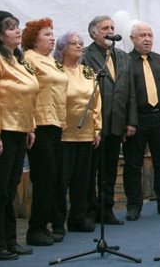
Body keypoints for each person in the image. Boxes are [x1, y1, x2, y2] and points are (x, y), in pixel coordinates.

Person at [0, 9, 39, 260]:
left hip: (18, 130)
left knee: (10, 188)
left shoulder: (16, 59)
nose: (17, 30)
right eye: (11, 27)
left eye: (17, 25)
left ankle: (10, 240)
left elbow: (27, 96)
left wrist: (29, 127)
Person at [123, 21, 160, 221]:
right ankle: (133, 205)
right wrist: (127, 121)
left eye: (149, 35)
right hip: (137, 119)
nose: (147, 39)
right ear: (132, 39)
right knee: (133, 164)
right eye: (142, 35)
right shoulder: (125, 62)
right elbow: (122, 95)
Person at [82, 15, 137, 225]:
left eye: (112, 27)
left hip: (116, 122)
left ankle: (106, 209)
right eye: (105, 27)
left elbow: (130, 91)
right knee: (90, 169)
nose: (110, 30)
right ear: (94, 33)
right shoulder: (86, 56)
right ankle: (89, 210)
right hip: (93, 124)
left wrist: (130, 121)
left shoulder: (123, 57)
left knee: (110, 169)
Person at [21, 18, 69, 246]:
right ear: (33, 39)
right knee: (44, 177)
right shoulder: (28, 59)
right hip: (39, 124)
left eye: (52, 33)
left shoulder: (51, 61)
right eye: (46, 34)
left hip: (56, 124)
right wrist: (30, 124)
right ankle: (35, 229)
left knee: (53, 178)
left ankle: (46, 224)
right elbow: (26, 94)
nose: (52, 37)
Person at [52, 31, 101, 234]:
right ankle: (57, 222)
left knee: (83, 180)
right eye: (74, 43)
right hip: (63, 132)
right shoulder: (55, 70)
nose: (80, 46)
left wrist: (97, 128)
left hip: (86, 133)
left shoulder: (88, 72)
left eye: (81, 43)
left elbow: (96, 100)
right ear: (62, 48)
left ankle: (78, 218)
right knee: (61, 180)